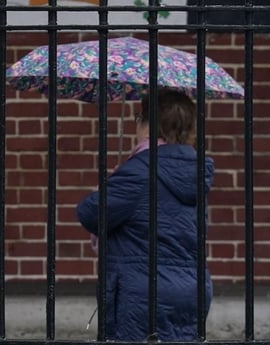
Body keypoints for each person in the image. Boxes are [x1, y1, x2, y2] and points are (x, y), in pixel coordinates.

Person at [76, 89, 214, 341]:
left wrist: (111, 184)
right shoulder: (194, 171)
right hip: (192, 288)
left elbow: (91, 212)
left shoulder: (139, 171)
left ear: (149, 125)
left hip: (143, 292)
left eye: (139, 116)